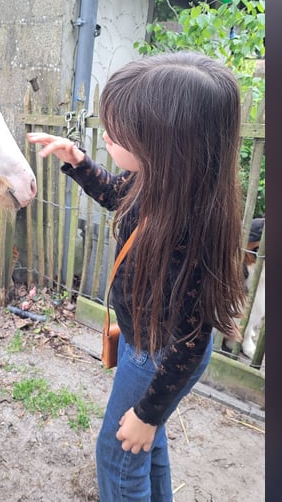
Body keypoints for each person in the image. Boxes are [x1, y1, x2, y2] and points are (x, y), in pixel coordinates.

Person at [27, 51, 246, 501]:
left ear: (165, 145)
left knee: (119, 452)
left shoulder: (190, 229)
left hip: (160, 356)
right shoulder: (159, 181)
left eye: (119, 130)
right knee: (147, 446)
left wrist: (147, 412)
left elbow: (190, 344)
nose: (106, 134)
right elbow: (115, 195)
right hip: (142, 340)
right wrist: (80, 163)